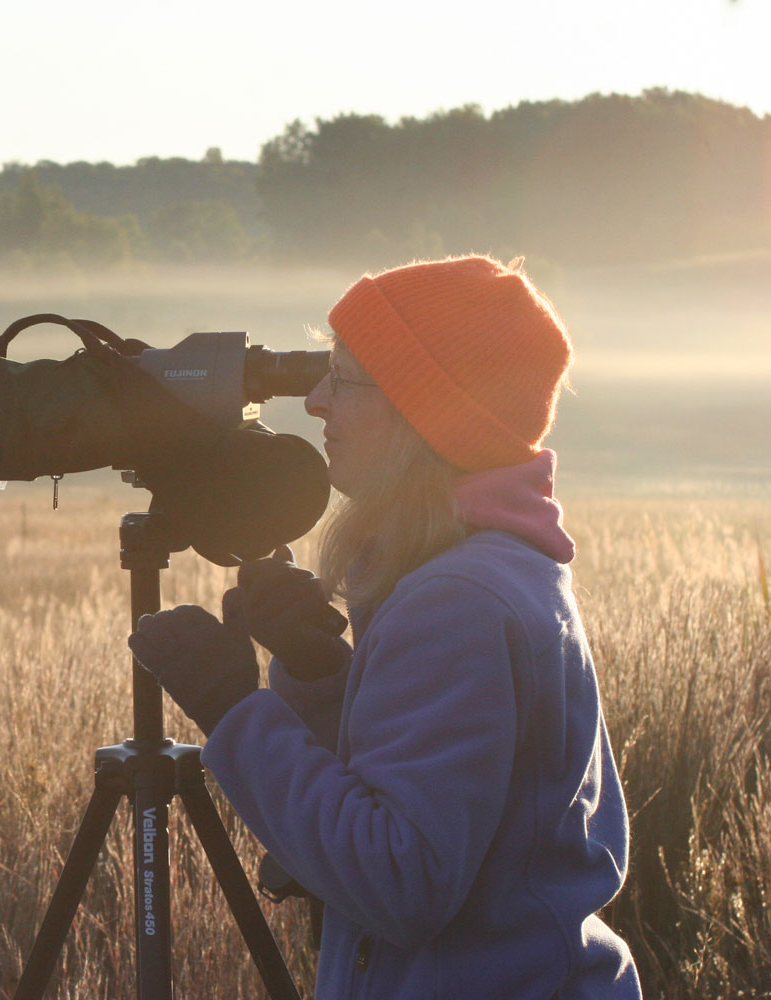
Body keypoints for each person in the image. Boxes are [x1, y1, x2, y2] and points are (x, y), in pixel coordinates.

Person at [128, 255, 641, 999]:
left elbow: (401, 880)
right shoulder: (493, 567)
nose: (314, 400)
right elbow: (448, 800)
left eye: (343, 376)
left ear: (418, 411)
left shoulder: (457, 601)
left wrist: (233, 709)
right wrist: (318, 680)